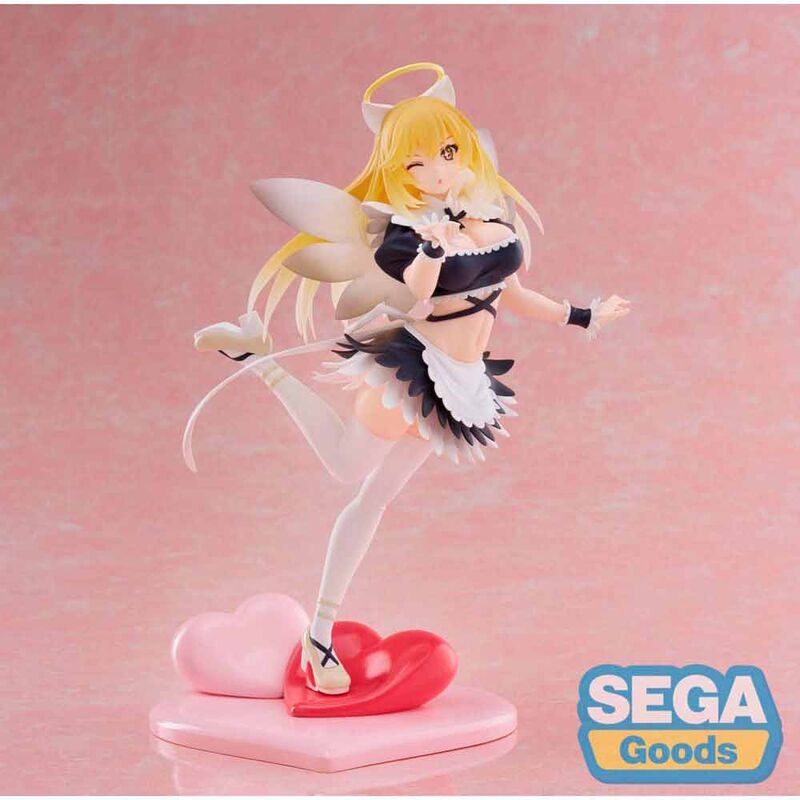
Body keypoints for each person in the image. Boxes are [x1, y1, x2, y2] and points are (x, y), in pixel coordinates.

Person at [187, 62, 632, 695]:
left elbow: (512, 294)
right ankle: (260, 362)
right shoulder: (403, 234)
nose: (437, 171)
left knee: (375, 499)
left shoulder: (490, 222)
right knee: (348, 469)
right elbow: (416, 300)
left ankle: (319, 634)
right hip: (414, 370)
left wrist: (584, 316)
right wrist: (430, 248)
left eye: (447, 153)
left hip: (460, 384)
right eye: (416, 163)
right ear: (398, 170)